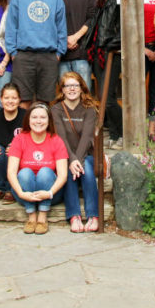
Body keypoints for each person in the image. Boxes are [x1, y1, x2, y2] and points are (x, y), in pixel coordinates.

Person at [5, 0, 67, 105]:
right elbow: (11, 27)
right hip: (23, 56)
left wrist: (59, 52)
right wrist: (13, 52)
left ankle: (44, 128)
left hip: (49, 56)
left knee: (46, 101)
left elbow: (61, 27)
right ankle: (24, 129)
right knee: (23, 100)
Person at [7, 102, 68, 235]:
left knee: (45, 172)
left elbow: (63, 175)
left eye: (42, 117)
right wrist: (21, 193)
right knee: (24, 173)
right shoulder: (20, 139)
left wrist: (50, 193)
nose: (38, 121)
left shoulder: (56, 140)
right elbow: (11, 172)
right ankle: (31, 216)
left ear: (49, 120)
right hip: (24, 191)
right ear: (28, 120)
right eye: (34, 117)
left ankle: (42, 217)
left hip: (51, 192)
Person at [50, 73, 100, 233]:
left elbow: (86, 137)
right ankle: (74, 215)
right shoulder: (56, 109)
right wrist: (71, 160)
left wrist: (76, 160)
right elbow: (60, 136)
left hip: (86, 154)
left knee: (87, 169)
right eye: (67, 86)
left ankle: (93, 215)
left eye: (75, 85)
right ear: (62, 90)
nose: (72, 89)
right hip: (65, 154)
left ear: (81, 88)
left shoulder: (90, 109)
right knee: (66, 170)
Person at [53, 0, 99, 88]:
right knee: (64, 94)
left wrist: (75, 37)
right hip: (60, 54)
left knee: (84, 94)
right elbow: (49, 22)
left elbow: (92, 18)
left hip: (82, 54)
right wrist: (64, 40)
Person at [89, 0, 123, 148]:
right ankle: (115, 133)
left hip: (111, 52)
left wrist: (112, 44)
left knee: (107, 97)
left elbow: (124, 24)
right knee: (102, 97)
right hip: (98, 52)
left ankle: (122, 132)